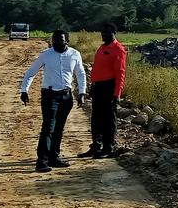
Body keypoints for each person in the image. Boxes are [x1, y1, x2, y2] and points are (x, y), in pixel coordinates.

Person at [20, 30, 86, 173]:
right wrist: (24, 90)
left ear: (66, 40)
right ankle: (41, 161)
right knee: (48, 127)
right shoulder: (46, 54)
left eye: (60, 40)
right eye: (54, 40)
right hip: (50, 96)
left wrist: (82, 92)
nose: (56, 42)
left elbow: (80, 74)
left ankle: (54, 157)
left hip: (66, 97)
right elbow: (31, 72)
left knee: (59, 128)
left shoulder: (75, 54)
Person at [80, 23, 127, 159]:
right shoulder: (102, 47)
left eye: (106, 33)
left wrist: (117, 93)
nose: (103, 35)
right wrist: (92, 86)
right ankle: (96, 146)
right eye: (102, 32)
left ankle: (108, 147)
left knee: (108, 120)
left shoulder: (118, 49)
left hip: (109, 87)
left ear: (113, 33)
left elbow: (120, 73)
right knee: (96, 118)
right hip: (98, 87)